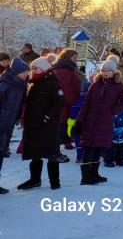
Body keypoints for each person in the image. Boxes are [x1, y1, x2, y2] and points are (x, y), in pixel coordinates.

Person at [76, 58, 123, 185]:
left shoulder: (118, 86)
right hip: (90, 121)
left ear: (114, 72)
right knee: (89, 149)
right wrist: (79, 121)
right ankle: (85, 177)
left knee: (98, 149)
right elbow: (86, 104)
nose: (106, 72)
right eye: (103, 70)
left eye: (108, 70)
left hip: (105, 122)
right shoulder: (94, 85)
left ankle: (94, 174)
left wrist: (113, 111)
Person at [18, 56, 64, 190]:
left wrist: (48, 116)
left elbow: (60, 101)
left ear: (44, 68)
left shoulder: (52, 83)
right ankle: (35, 180)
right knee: (35, 152)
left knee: (51, 153)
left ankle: (55, 182)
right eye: (32, 68)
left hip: (48, 125)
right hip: (34, 124)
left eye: (36, 68)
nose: (33, 70)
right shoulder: (34, 83)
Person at [0, 59, 28, 194]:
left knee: (1, 153)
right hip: (2, 123)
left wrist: (17, 117)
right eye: (24, 72)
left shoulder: (20, 85)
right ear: (16, 72)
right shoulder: (4, 84)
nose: (26, 74)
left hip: (8, 124)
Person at [52, 49, 81, 154]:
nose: (75, 60)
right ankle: (55, 152)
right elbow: (66, 88)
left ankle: (67, 142)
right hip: (66, 102)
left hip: (64, 101)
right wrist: (73, 101)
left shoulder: (61, 68)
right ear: (67, 58)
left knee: (65, 124)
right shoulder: (65, 70)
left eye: (76, 58)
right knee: (62, 125)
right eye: (74, 58)